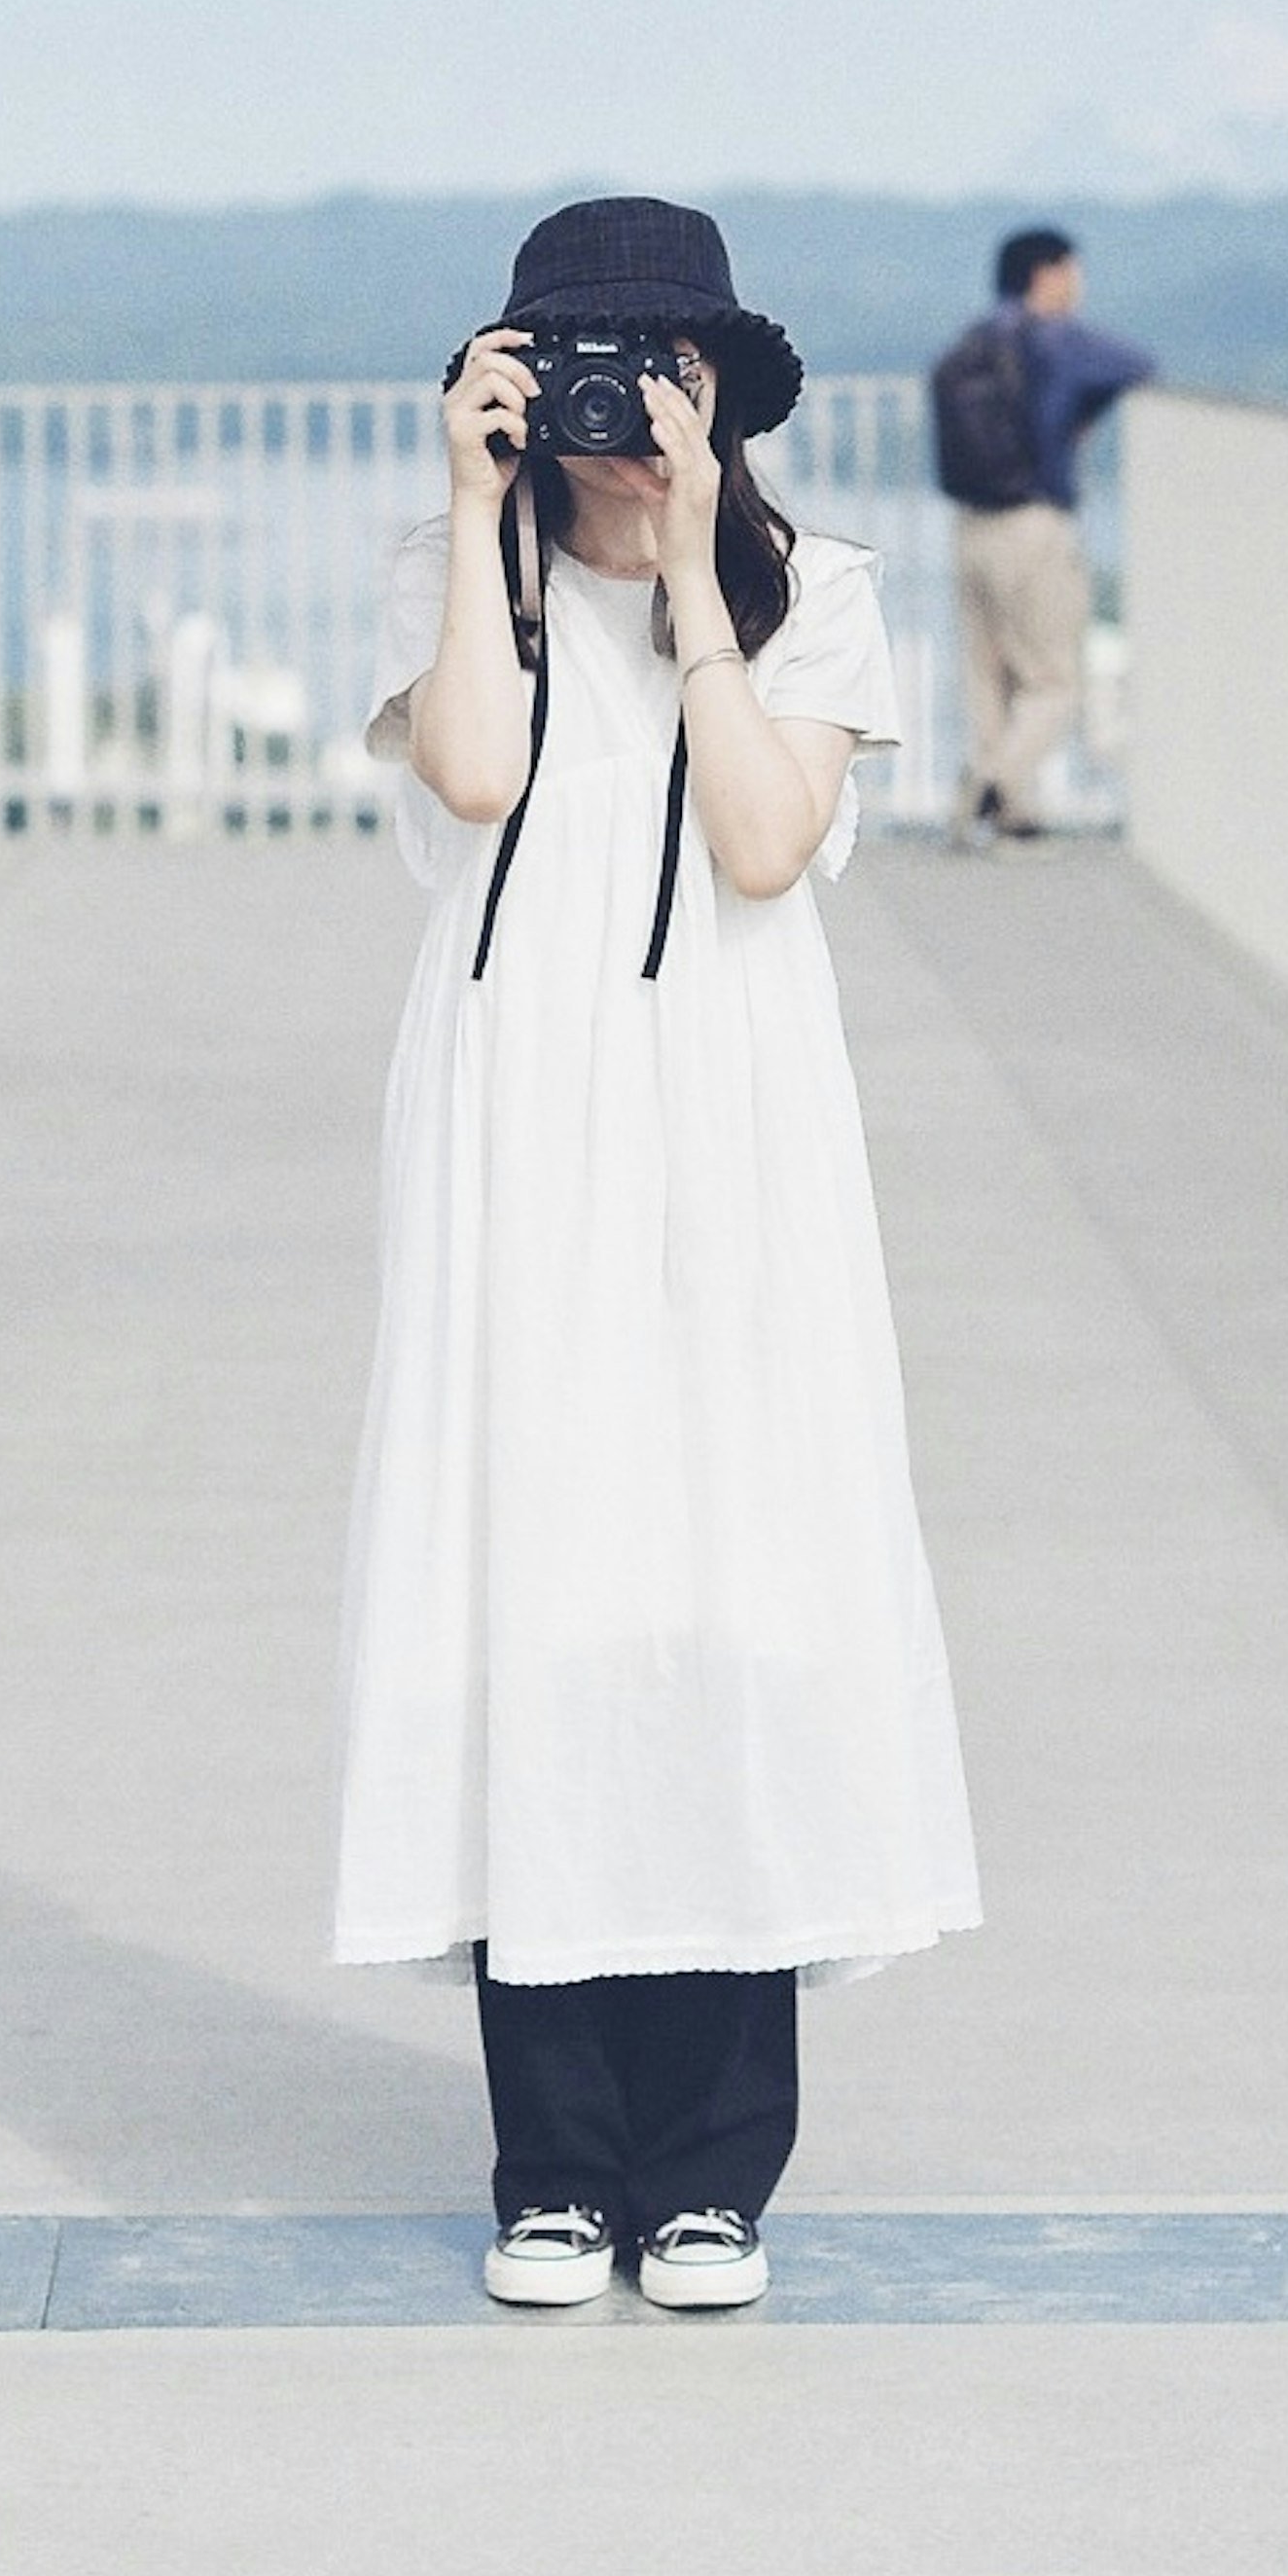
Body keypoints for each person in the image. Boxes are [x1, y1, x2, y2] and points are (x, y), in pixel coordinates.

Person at [340, 197, 982, 2316]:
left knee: (729, 1576)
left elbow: (762, 845)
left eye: (657, 372)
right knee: (539, 1582)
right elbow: (471, 772)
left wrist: (698, 568)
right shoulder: (462, 580)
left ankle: (713, 2172)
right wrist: (476, 509)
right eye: (583, 369)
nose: (620, 411)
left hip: (732, 1128)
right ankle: (551, 2165)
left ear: (724, 394)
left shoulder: (821, 594)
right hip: (523, 1125)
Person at [934, 224, 1155, 841]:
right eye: (1073, 272)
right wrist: (1087, 413)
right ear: (1049, 274)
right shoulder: (1058, 342)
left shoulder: (976, 342)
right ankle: (995, 784)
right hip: (1032, 524)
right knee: (1054, 679)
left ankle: (1007, 809)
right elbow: (1138, 365)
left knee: (988, 673)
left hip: (970, 523)